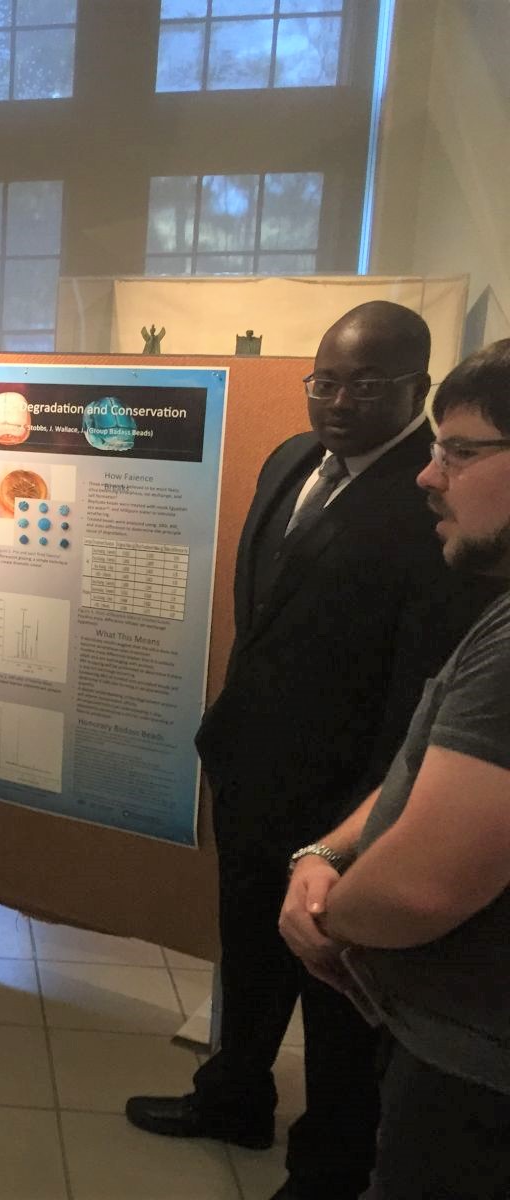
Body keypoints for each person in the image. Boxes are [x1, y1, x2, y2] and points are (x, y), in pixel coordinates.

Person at [125, 303, 498, 1200]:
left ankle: (327, 1165)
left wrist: (362, 830)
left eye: (365, 387)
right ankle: (234, 1095)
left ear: (415, 388)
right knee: (249, 957)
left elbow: (416, 687)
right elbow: (263, 618)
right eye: (324, 382)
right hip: (254, 774)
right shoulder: (292, 461)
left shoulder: (434, 501)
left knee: (339, 1006)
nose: (337, 402)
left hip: (348, 800)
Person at [277, 337, 510, 1200]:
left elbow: (419, 889)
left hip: (473, 1072)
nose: (429, 474)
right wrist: (327, 853)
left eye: (461, 451)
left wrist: (324, 920)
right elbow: (436, 757)